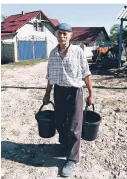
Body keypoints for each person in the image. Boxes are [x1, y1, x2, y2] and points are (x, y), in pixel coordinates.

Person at [43, 23, 94, 177]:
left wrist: (91, 94)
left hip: (75, 92)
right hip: (59, 92)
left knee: (74, 126)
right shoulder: (53, 53)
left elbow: (86, 74)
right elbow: (50, 76)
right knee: (60, 122)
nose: (62, 36)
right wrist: (47, 94)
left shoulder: (78, 52)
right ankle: (65, 145)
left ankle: (72, 159)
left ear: (71, 36)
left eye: (65, 33)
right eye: (59, 33)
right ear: (56, 35)